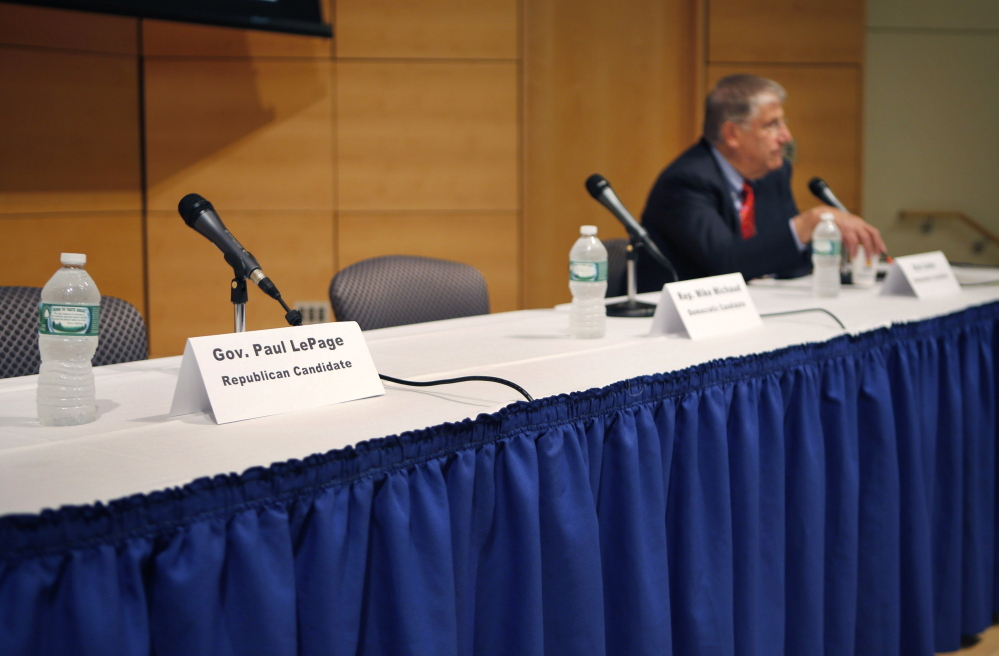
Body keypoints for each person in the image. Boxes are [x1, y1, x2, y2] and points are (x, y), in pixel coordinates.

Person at [636, 74, 885, 289]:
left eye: (783, 123)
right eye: (772, 125)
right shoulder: (685, 182)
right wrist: (808, 223)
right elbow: (727, 263)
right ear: (732, 134)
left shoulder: (772, 173)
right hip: (680, 323)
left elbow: (791, 260)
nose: (786, 137)